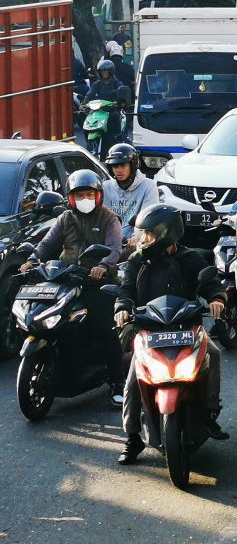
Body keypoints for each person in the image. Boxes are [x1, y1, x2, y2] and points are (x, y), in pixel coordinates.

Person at [116, 205, 229, 465]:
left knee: (213, 354)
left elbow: (213, 286)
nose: (144, 241)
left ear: (168, 234)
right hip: (149, 330)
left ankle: (210, 414)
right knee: (134, 380)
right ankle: (132, 438)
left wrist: (217, 300)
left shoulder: (191, 259)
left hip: (187, 327)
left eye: (150, 235)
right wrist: (121, 309)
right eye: (142, 235)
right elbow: (125, 291)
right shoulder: (136, 261)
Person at [20, 170, 124, 406]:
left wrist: (103, 266)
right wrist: (33, 260)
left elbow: (114, 248)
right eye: (79, 195)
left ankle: (117, 383)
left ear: (98, 196)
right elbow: (48, 244)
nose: (84, 199)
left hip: (96, 282)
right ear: (70, 198)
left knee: (104, 328)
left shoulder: (109, 219)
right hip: (65, 279)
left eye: (89, 194)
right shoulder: (65, 218)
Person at [102, 144, 159, 250]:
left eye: (123, 165)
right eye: (115, 166)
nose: (119, 170)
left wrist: (136, 238)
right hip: (109, 245)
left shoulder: (148, 186)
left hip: (136, 246)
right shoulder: (105, 187)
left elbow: (149, 219)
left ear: (132, 166)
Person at [84, 59, 126, 155]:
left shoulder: (117, 83)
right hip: (99, 111)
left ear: (111, 71)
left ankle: (116, 141)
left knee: (114, 119)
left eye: (105, 70)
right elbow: (89, 95)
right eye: (102, 71)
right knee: (86, 119)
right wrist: (84, 104)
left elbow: (123, 94)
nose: (103, 73)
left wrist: (118, 102)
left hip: (112, 110)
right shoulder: (97, 84)